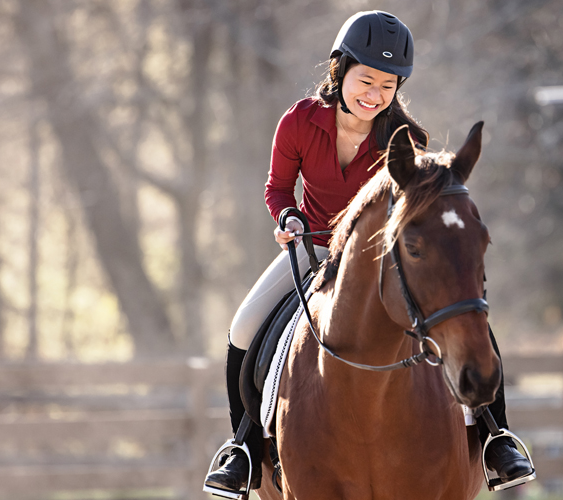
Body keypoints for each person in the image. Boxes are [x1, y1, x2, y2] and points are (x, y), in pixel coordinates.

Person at [204, 10, 534, 495]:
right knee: (243, 328)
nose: (375, 95)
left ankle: (495, 438)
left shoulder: (406, 141)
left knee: (467, 321)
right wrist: (288, 217)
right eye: (366, 80)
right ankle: (244, 449)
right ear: (339, 70)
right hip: (313, 245)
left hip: (377, 259)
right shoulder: (298, 121)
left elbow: (416, 212)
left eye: (388, 85)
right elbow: (278, 187)